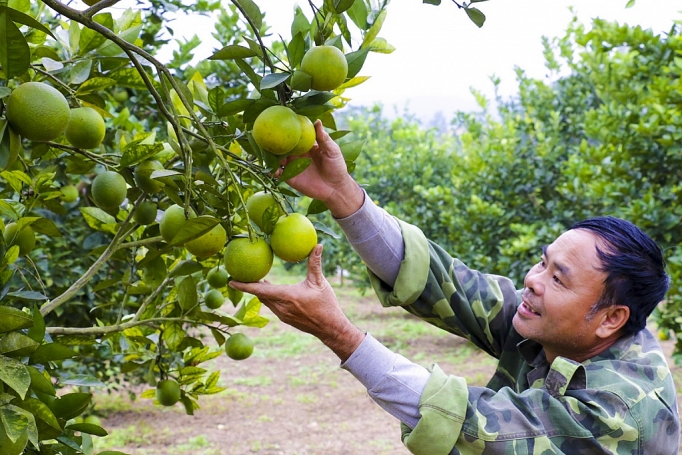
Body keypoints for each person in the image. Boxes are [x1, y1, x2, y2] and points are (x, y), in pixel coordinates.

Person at [230, 121, 681, 454]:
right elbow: (443, 281)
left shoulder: (619, 412)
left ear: (610, 319)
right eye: (542, 262)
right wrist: (342, 195)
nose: (532, 280)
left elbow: (476, 424)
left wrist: (339, 334)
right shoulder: (564, 323)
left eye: (557, 278)